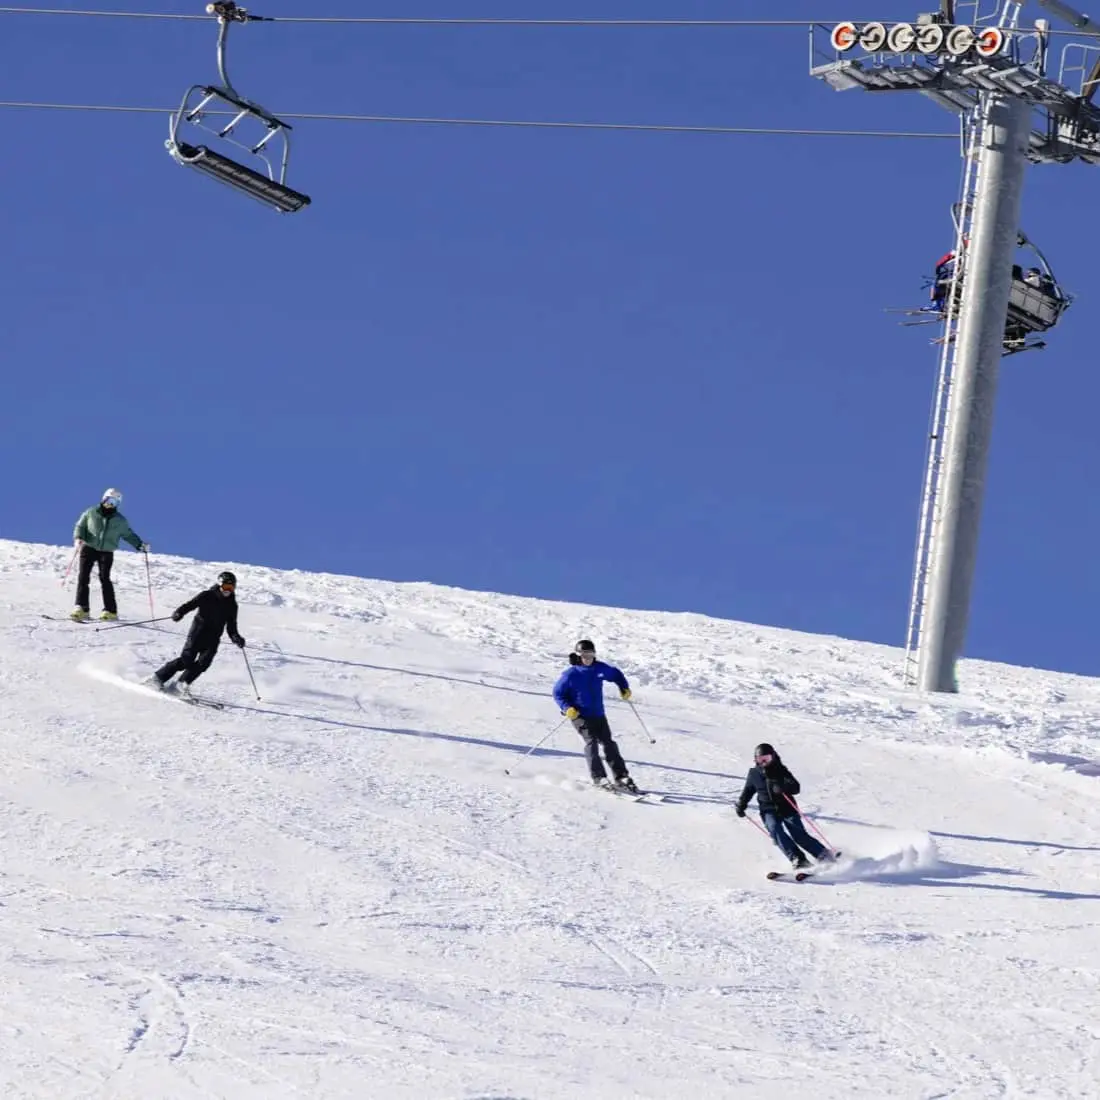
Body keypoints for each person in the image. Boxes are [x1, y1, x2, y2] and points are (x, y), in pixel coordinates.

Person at [552, 639, 638, 792]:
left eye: (590, 654)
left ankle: (621, 777)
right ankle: (599, 777)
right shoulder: (571, 674)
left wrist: (624, 688)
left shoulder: (600, 668)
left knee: (609, 744)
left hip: (598, 714)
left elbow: (616, 674)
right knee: (591, 743)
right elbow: (558, 694)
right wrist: (567, 708)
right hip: (579, 715)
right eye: (584, 654)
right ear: (578, 655)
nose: (587, 658)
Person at [735, 742, 833, 870]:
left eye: (767, 759)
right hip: (768, 810)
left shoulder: (781, 770)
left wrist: (783, 787)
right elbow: (748, 790)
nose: (764, 762)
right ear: (756, 760)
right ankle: (798, 859)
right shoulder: (754, 773)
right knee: (775, 830)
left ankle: (822, 854)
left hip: (787, 807)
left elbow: (796, 787)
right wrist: (741, 805)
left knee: (798, 835)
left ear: (773, 757)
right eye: (760, 759)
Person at [150, 571, 245, 695]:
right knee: (186, 660)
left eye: (231, 588)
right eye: (225, 587)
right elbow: (190, 605)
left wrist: (236, 637)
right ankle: (158, 678)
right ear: (219, 585)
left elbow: (231, 626)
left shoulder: (232, 605)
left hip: (213, 637)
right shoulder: (207, 595)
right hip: (198, 632)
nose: (228, 590)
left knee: (204, 662)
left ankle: (181, 685)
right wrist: (179, 613)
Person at [70, 488, 149, 622]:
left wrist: (140, 545)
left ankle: (110, 611)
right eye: (108, 500)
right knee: (83, 577)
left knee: (104, 579)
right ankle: (82, 608)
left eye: (114, 502)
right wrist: (78, 538)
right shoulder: (91, 512)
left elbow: (128, 535)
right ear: (103, 499)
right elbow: (80, 526)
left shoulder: (120, 521)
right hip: (88, 547)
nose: (110, 504)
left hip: (106, 551)